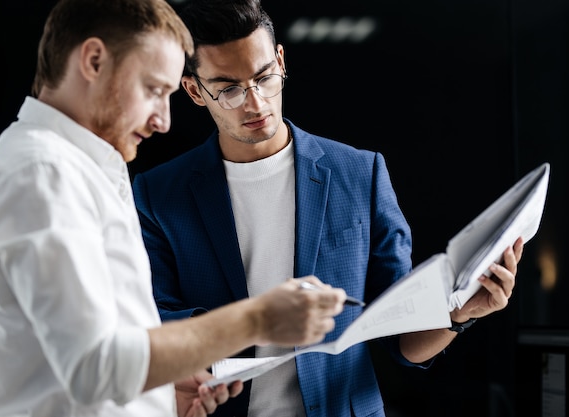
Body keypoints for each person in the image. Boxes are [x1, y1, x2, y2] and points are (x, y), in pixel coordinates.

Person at [131, 0, 524, 416]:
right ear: (195, 90)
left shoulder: (360, 174)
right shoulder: (157, 195)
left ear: (280, 62)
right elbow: (154, 330)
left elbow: (401, 338)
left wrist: (457, 314)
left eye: (264, 78)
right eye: (228, 89)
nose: (255, 103)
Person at [0, 1, 349, 417]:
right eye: (154, 90)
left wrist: (158, 393)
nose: (163, 121)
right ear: (93, 60)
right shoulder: (43, 171)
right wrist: (259, 320)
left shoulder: (79, 168)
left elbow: (93, 362)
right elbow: (93, 366)